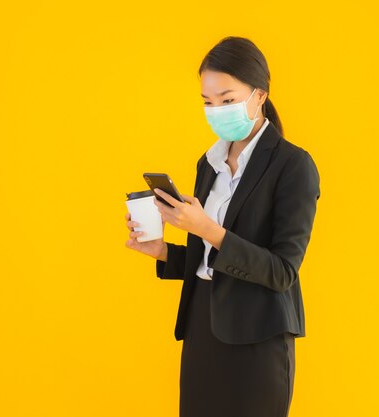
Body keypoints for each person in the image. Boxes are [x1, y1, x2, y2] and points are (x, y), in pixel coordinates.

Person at [125, 36, 320, 417]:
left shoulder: (293, 166)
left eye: (227, 100)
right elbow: (211, 263)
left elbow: (281, 272)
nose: (216, 110)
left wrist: (205, 228)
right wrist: (164, 252)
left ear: (259, 95)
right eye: (208, 101)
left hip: (257, 341)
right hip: (202, 331)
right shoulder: (208, 163)